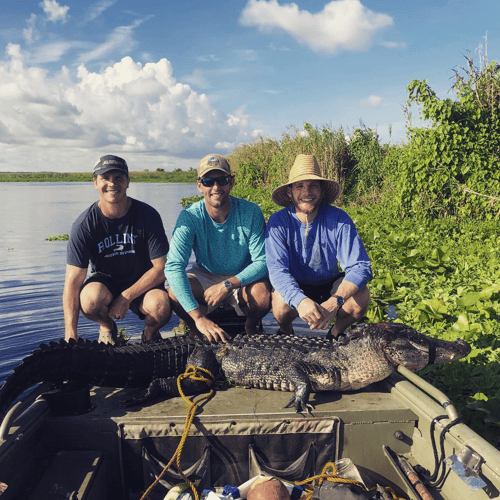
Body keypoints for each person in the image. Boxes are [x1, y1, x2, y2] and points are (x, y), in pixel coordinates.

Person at [63, 155, 171, 344]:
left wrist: (126, 297)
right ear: (95, 182)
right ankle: (106, 326)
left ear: (128, 182)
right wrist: (71, 334)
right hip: (106, 282)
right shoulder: (84, 224)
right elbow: (73, 281)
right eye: (105, 178)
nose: (112, 183)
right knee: (89, 301)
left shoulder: (148, 215)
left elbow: (161, 268)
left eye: (118, 178)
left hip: (143, 280)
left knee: (161, 307)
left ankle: (149, 333)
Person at [165, 154, 271, 343]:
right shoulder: (189, 216)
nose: (215, 187)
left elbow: (262, 261)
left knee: (262, 296)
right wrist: (198, 317)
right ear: (199, 185)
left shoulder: (250, 211)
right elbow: (173, 267)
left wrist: (227, 284)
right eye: (208, 181)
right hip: (205, 274)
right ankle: (196, 328)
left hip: (242, 276)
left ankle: (251, 326)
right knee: (174, 291)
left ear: (231, 182)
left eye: (222, 180)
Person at [265, 154, 372, 339]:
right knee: (280, 305)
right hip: (296, 282)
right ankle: (286, 329)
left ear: (321, 190)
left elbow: (360, 266)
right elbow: (277, 270)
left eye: (313, 185)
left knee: (361, 297)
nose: (307, 192)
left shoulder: (338, 218)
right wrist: (300, 301)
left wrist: (335, 301)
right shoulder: (278, 221)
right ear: (290, 191)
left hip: (329, 284)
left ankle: (336, 332)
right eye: (300, 186)